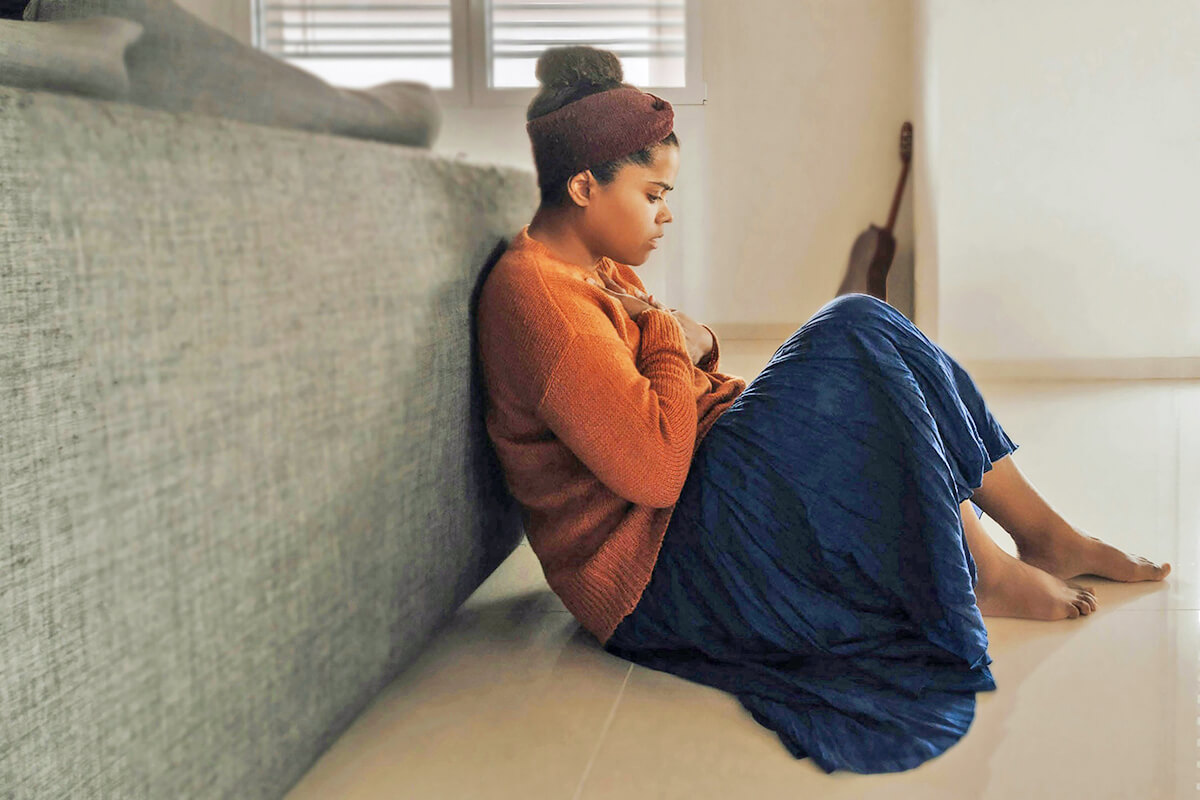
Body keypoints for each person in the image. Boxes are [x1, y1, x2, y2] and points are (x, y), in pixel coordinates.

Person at [473, 45, 1171, 775]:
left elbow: (674, 370)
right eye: (652, 195)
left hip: (692, 502)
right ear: (585, 185)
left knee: (866, 327)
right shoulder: (540, 301)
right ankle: (983, 567)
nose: (666, 214)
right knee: (855, 330)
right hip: (654, 572)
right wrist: (667, 336)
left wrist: (694, 339)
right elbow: (653, 471)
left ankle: (1044, 536)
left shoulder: (592, 266)